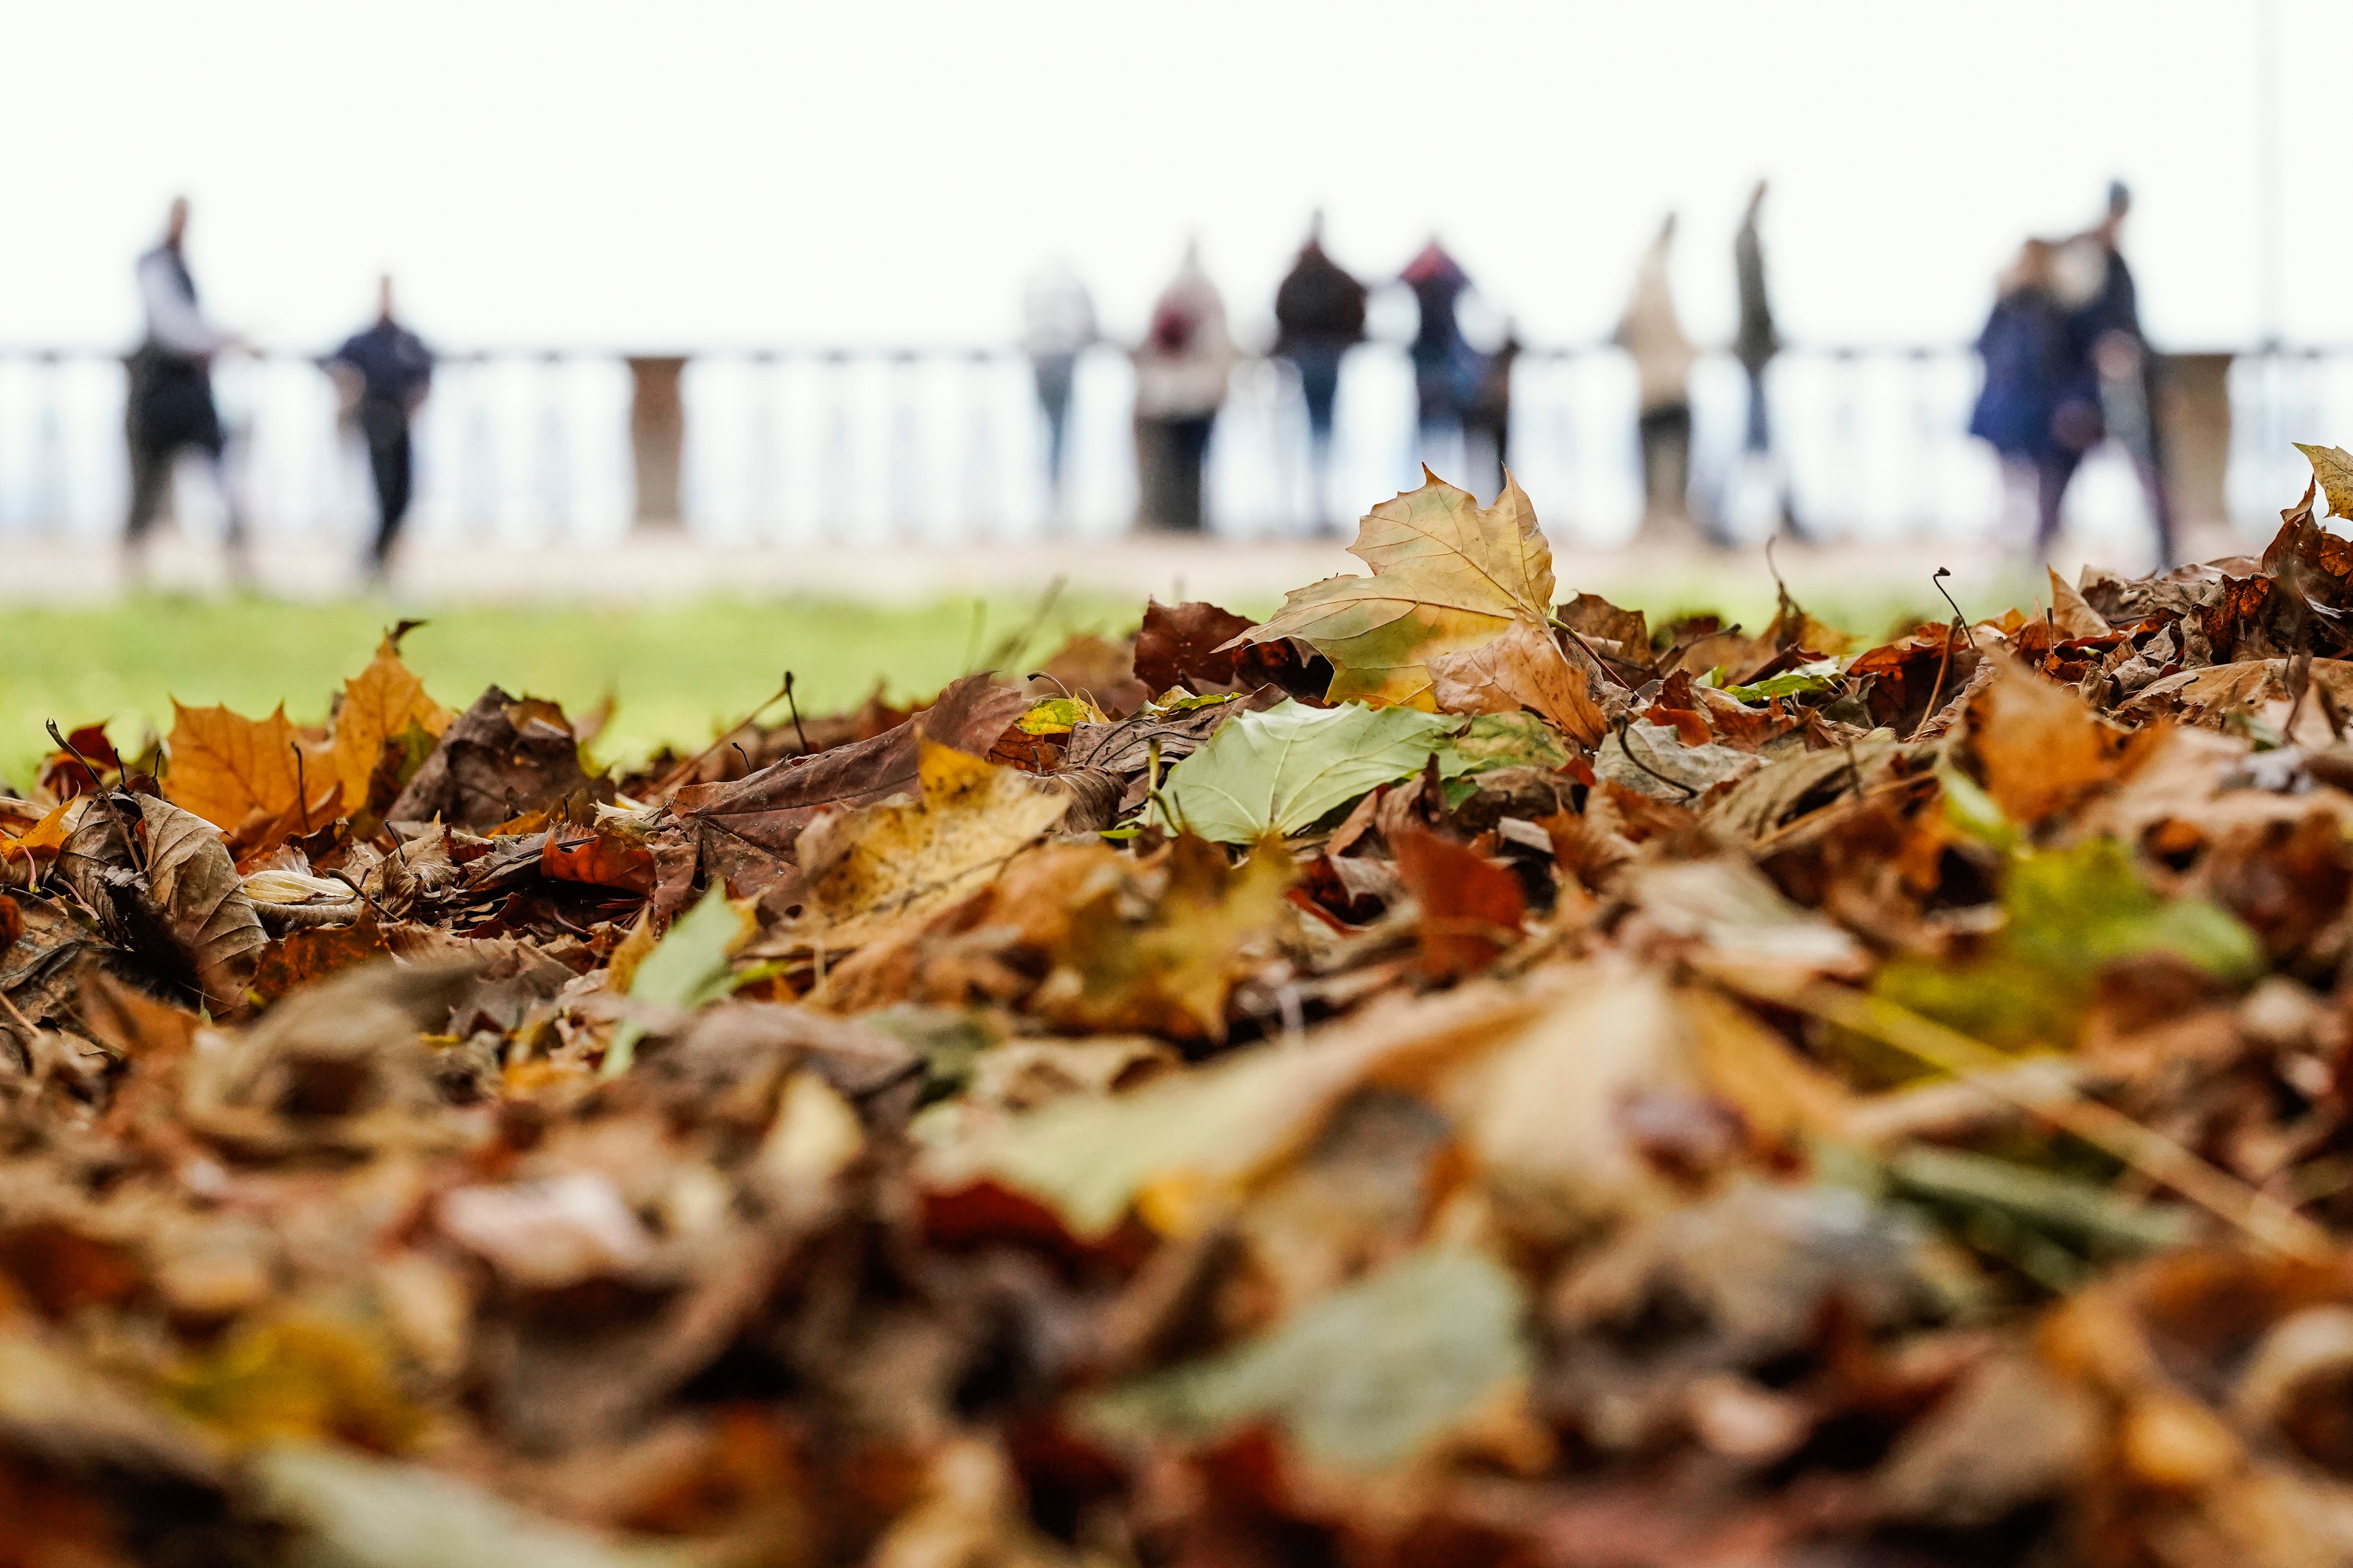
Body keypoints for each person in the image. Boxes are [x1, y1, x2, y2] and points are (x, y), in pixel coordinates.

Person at [124, 196, 247, 584]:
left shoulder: (178, 266)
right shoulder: (155, 264)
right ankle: (133, 571)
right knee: (146, 487)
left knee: (220, 473)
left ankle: (239, 565)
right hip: (160, 391)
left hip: (188, 392)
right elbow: (172, 326)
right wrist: (222, 340)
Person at [2053, 180, 2176, 566]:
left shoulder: (2117, 263)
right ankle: (2045, 554)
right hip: (2086, 388)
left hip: (2128, 383)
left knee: (2148, 470)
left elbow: (2130, 325)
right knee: (2061, 474)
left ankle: (2164, 553)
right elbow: (2066, 328)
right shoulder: (2081, 256)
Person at [1968, 238, 2080, 558]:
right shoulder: (2008, 303)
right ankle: (2010, 553)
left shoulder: (2059, 308)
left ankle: (2035, 555)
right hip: (2008, 412)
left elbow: (2068, 361)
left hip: (2045, 415)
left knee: (2044, 494)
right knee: (2011, 491)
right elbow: (1987, 349)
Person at [326, 276, 433, 582]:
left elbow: (426, 376)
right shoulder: (361, 342)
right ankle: (372, 560)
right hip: (372, 422)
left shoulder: (407, 341)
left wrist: (417, 402)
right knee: (379, 493)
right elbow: (336, 368)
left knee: (404, 494)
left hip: (402, 423)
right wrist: (348, 391)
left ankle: (378, 557)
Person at [1131, 242, 1235, 532]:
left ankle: (1167, 522)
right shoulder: (1212, 296)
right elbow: (1220, 348)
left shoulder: (1166, 293)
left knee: (1169, 464)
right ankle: (1193, 522)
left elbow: (1148, 348)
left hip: (1165, 395)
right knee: (1196, 463)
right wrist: (1224, 385)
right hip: (1201, 393)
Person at [1272, 214, 1366, 529]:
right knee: (1323, 428)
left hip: (1306, 357)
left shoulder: (1295, 276)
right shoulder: (1336, 276)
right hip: (1326, 356)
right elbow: (1358, 302)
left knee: (1310, 429)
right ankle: (1317, 506)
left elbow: (1281, 313)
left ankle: (1309, 506)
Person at [1616, 214, 1698, 537]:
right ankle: (1667, 519)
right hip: (1668, 385)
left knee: (1655, 460)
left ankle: (1658, 521)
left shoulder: (1644, 276)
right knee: (1671, 458)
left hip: (1651, 386)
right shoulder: (1658, 277)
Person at [1732, 180, 1802, 539]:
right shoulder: (1748, 240)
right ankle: (1757, 518)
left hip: (1753, 351)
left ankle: (1756, 517)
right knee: (1757, 437)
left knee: (1756, 436)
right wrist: (1768, 336)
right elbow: (1756, 303)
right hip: (1755, 351)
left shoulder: (1744, 238)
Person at [1022, 259, 1096, 516]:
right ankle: (1061, 501)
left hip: (1039, 361)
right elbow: (1090, 327)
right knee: (1061, 431)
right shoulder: (1076, 287)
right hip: (1064, 358)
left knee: (1043, 429)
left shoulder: (1036, 285)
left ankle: (1045, 502)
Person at [1399, 239, 1482, 453]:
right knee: (1432, 414)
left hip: (1438, 355)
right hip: (1434, 355)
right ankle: (1430, 466)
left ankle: (1432, 466)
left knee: (1437, 415)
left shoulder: (1428, 280)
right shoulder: (1441, 280)